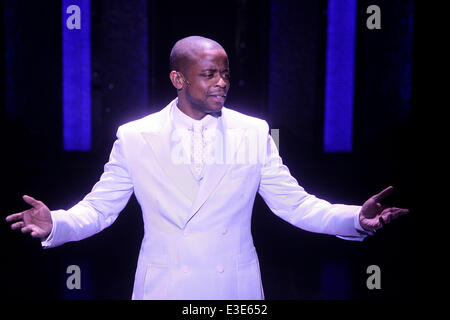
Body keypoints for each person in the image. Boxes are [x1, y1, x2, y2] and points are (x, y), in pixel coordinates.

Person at [6, 36, 409, 300]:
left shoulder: (253, 132)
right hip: (164, 289)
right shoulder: (135, 136)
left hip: (234, 293)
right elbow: (99, 209)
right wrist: (55, 223)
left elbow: (297, 206)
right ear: (178, 78)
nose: (221, 83)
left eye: (225, 74)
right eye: (209, 74)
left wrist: (356, 218)